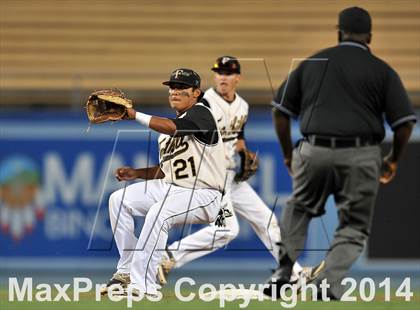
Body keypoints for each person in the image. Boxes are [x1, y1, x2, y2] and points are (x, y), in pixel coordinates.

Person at [265, 7, 416, 300]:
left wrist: (287, 154)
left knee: (299, 208)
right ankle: (327, 282)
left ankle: (283, 270)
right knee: (354, 225)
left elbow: (280, 112)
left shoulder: (312, 63)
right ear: (370, 36)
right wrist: (394, 159)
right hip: (361, 154)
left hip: (314, 150)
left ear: (338, 32)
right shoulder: (382, 70)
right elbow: (405, 124)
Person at [158, 56, 319, 286]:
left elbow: (237, 138)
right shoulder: (205, 103)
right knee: (228, 229)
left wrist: (245, 154)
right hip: (212, 176)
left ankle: (294, 274)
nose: (223, 77)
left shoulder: (243, 105)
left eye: (228, 73)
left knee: (266, 220)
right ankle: (168, 256)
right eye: (219, 72)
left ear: (238, 78)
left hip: (232, 175)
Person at [101, 68, 227, 297]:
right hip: (172, 188)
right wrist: (136, 173)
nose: (174, 92)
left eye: (181, 88)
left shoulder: (202, 113)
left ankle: (144, 286)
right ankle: (126, 271)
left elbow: (173, 128)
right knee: (118, 200)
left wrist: (134, 115)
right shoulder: (164, 135)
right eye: (172, 87)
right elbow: (166, 171)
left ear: (196, 93)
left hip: (205, 194)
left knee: (159, 213)